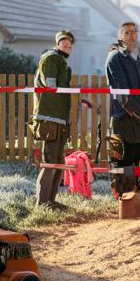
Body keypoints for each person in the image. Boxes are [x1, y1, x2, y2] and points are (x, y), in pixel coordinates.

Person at [30, 30, 89, 209]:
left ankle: (51, 201)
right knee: (50, 161)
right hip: (49, 118)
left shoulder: (63, 64)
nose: (68, 44)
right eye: (64, 41)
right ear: (57, 42)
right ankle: (42, 202)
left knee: (58, 161)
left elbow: (63, 89)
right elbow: (51, 86)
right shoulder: (50, 59)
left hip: (60, 118)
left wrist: (78, 98)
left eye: (70, 42)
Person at [105, 21, 140, 195]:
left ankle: (134, 189)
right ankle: (123, 196)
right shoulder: (115, 58)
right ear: (120, 36)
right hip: (124, 116)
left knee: (137, 152)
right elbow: (122, 94)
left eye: (134, 32)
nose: (131, 35)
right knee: (123, 157)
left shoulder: (138, 60)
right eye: (127, 32)